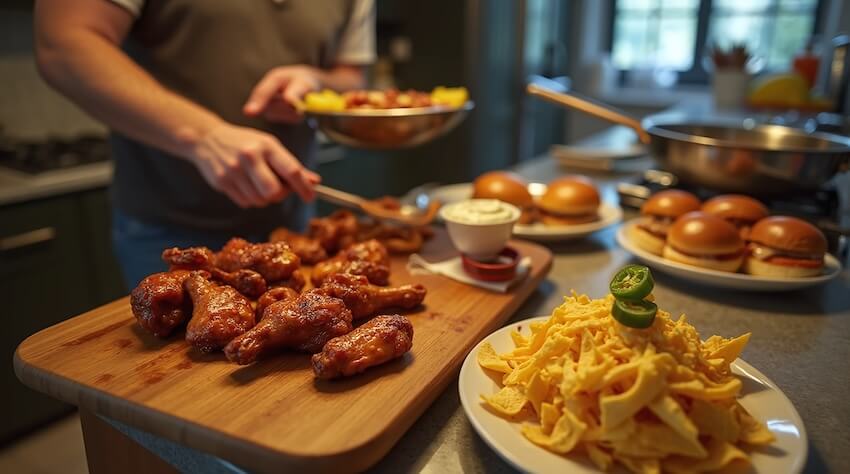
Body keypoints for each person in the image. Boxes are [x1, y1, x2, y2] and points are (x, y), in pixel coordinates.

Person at [34, 0, 375, 287]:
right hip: (167, 229)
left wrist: (316, 81)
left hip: (293, 227)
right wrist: (203, 136)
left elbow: (352, 78)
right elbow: (63, 42)